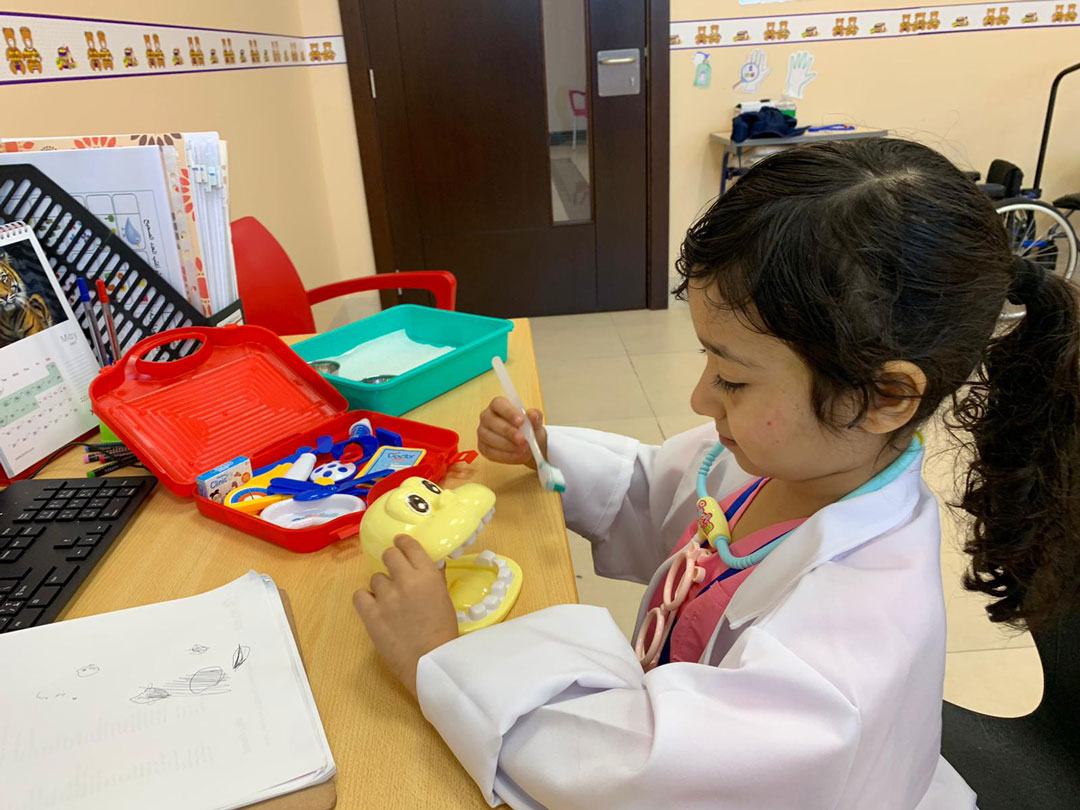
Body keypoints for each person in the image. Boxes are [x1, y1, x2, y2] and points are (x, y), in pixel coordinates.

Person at [354, 138, 1080, 809]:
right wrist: (549, 453)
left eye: (731, 379)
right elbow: (654, 486)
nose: (702, 399)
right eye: (706, 359)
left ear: (885, 396)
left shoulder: (845, 653)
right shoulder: (797, 462)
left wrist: (445, 658)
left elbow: (647, 772)